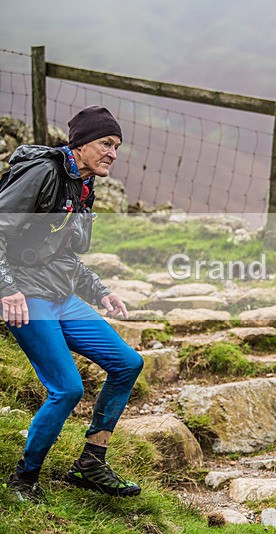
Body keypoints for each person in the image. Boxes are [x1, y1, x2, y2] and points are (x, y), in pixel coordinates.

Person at [1, 106, 143, 502]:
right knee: (66, 389)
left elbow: (62, 251)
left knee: (128, 363)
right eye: (105, 143)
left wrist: (98, 291)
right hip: (26, 297)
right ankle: (23, 480)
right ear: (79, 144)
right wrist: (6, 287)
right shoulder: (43, 173)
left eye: (117, 146)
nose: (113, 153)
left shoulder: (82, 185)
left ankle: (91, 462)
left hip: (60, 296)